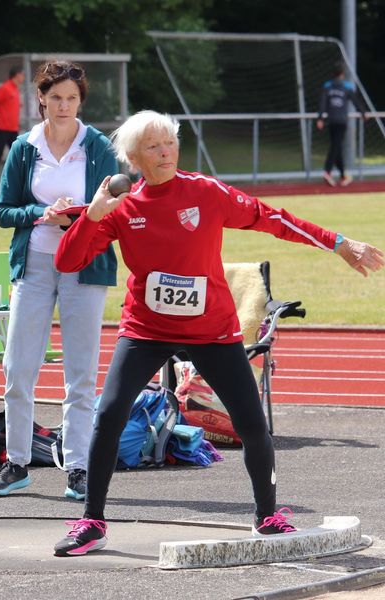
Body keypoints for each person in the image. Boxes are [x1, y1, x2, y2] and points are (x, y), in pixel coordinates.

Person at [52, 110, 384, 556]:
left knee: (251, 423)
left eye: (170, 142)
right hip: (146, 329)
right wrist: (93, 215)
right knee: (109, 413)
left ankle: (267, 516)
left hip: (211, 330)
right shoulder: (122, 206)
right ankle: (92, 521)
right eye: (153, 146)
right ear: (133, 158)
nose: (165, 152)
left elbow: (272, 217)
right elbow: (67, 261)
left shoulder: (205, 192)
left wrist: (339, 243)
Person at [0, 60, 119, 500]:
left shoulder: (98, 146)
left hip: (85, 266)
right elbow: (3, 212)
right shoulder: (25, 147)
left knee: (81, 372)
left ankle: (78, 468)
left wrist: (76, 218)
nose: (63, 105)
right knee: (17, 367)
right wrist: (43, 213)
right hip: (35, 266)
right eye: (55, 97)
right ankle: (16, 463)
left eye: (71, 98)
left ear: (80, 101)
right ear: (41, 98)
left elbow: (113, 208)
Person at [316, 61, 368, 187]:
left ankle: (343, 175)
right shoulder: (347, 86)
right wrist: (363, 113)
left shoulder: (327, 86)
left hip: (331, 121)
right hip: (341, 121)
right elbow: (355, 101)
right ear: (343, 74)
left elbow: (322, 103)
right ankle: (327, 171)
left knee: (337, 147)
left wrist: (320, 118)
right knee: (335, 146)